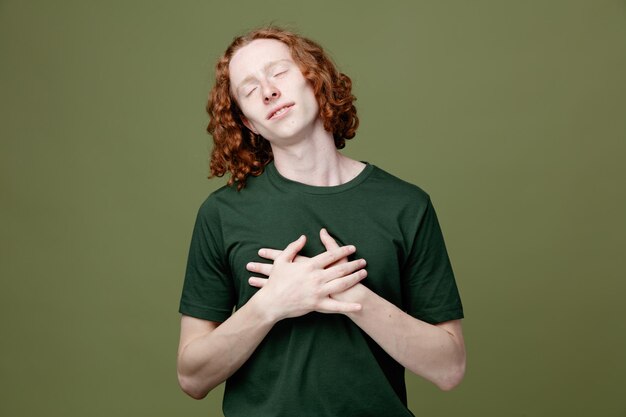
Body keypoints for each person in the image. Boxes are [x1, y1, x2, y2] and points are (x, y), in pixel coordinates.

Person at [177, 26, 466, 417]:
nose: (268, 91)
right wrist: (271, 305)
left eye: (278, 72)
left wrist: (353, 297)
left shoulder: (405, 205)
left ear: (315, 79)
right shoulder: (222, 214)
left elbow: (449, 368)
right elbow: (192, 378)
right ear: (249, 124)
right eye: (248, 90)